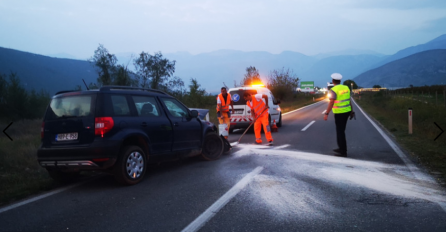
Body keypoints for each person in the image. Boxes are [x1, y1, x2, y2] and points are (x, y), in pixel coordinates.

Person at [323, 73, 355, 157]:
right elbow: (349, 100)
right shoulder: (346, 88)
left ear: (333, 81)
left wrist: (326, 113)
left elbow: (331, 102)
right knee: (341, 130)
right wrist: (352, 111)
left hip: (339, 113)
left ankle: (343, 151)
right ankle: (341, 148)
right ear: (340, 81)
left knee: (340, 132)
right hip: (347, 111)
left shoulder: (334, 89)